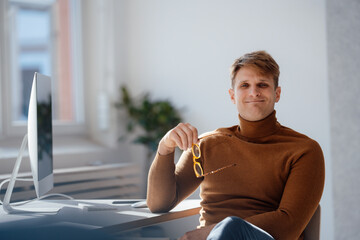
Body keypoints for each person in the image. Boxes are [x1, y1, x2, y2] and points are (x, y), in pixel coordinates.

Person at [146, 50, 325, 240]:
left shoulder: (304, 150)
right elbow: (158, 204)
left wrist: (210, 232)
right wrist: (165, 148)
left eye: (262, 85)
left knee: (231, 226)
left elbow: (288, 225)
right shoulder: (207, 145)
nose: (253, 92)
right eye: (245, 85)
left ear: (277, 93)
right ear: (233, 95)